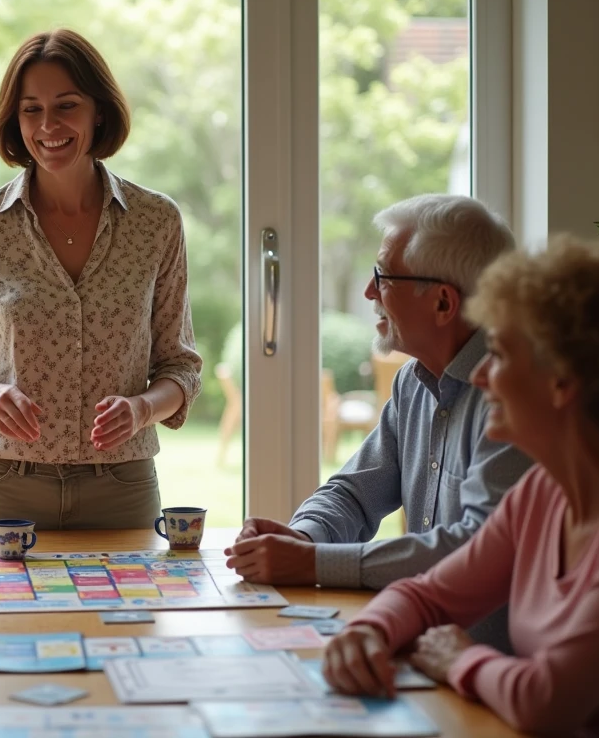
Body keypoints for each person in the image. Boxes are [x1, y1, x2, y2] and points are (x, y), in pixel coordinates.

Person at [323, 236, 599, 737]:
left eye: (500, 353)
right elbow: (429, 596)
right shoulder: (543, 491)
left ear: (561, 381)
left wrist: (460, 660)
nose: (484, 375)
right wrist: (366, 631)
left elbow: (546, 700)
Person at [0, 28, 203, 530]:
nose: (48, 125)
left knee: (129, 613)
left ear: (99, 111)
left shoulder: (157, 221)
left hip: (123, 486)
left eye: (66, 105)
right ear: (15, 119)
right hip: (5, 485)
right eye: (31, 109)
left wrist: (141, 409)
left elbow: (180, 368)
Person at [227, 194, 531, 646]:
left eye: (383, 276)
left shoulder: (514, 399)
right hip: (423, 651)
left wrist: (311, 563)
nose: (370, 292)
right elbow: (353, 492)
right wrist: (302, 537)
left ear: (444, 304)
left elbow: (474, 548)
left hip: (490, 669)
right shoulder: (413, 382)